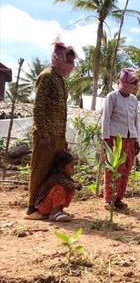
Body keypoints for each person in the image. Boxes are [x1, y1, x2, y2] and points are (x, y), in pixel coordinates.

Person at [25, 42, 77, 219]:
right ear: (58, 59)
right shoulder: (46, 76)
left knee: (55, 173)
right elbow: (38, 107)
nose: (70, 65)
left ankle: (48, 208)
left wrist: (62, 138)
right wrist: (43, 133)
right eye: (67, 61)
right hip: (45, 135)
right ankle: (32, 207)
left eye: (72, 62)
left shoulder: (61, 81)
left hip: (58, 135)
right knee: (40, 169)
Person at [101, 68, 140, 210]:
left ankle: (118, 198)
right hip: (115, 138)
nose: (135, 87)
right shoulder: (112, 97)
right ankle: (109, 199)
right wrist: (106, 140)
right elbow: (106, 119)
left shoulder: (134, 100)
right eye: (132, 84)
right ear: (124, 83)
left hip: (130, 138)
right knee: (113, 168)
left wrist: (137, 140)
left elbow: (136, 121)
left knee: (125, 168)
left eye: (135, 84)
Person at [33, 150, 81, 222]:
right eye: (71, 166)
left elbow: (71, 184)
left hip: (48, 206)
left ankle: (59, 211)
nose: (74, 168)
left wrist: (76, 185)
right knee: (60, 188)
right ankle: (54, 214)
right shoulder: (57, 177)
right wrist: (76, 185)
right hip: (43, 206)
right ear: (62, 168)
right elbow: (67, 184)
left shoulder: (66, 177)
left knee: (70, 188)